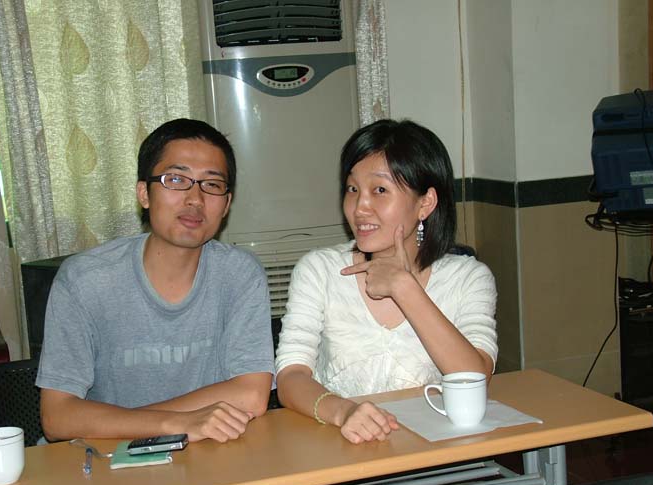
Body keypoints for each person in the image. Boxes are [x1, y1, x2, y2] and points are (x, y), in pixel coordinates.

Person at [36, 118, 274, 443]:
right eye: (176, 179)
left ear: (226, 204)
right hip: (106, 457)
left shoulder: (240, 274)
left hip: (209, 453)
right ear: (144, 194)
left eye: (212, 184)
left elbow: (252, 395)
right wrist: (175, 423)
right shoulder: (85, 280)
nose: (195, 199)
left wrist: (127, 422)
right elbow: (57, 417)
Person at [275, 119, 497, 445]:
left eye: (379, 190)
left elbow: (474, 378)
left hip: (438, 453)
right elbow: (290, 377)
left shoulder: (468, 278)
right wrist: (344, 412)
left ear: (425, 203)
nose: (360, 207)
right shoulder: (319, 270)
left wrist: (404, 288)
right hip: (341, 447)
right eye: (352, 189)